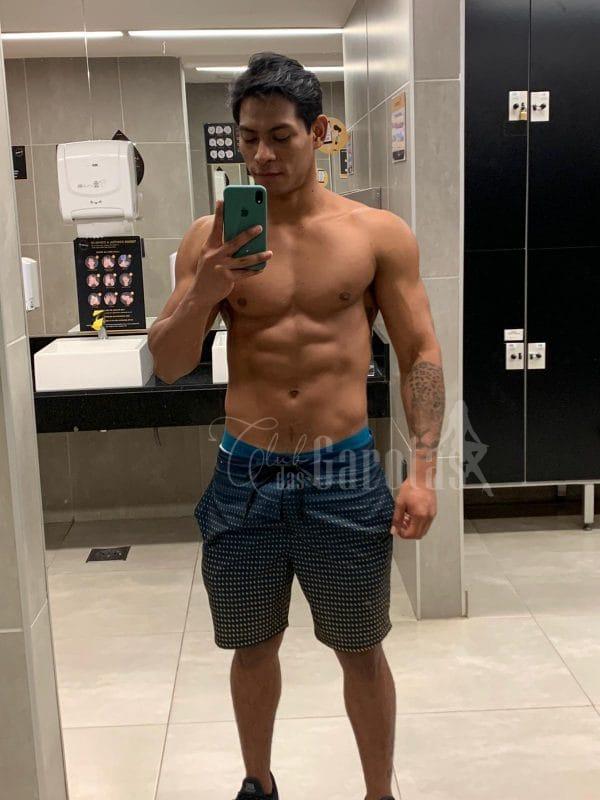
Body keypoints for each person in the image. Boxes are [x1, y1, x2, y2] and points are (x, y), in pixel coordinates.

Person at [149, 52, 445, 800]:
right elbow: (170, 363)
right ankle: (258, 783)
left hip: (342, 470)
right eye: (248, 138)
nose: (262, 156)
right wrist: (205, 289)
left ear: (318, 132)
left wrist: (423, 471)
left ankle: (378, 793)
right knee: (251, 646)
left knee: (360, 647)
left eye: (280, 136)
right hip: (244, 472)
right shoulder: (210, 237)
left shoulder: (374, 234)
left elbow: (419, 352)